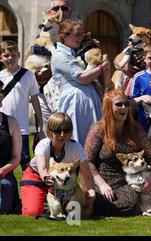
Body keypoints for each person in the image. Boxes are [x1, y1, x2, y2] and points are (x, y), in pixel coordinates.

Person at [84, 89, 151, 216]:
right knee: (98, 199)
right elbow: (87, 161)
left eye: (126, 104)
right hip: (99, 180)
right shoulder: (98, 129)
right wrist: (102, 185)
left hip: (127, 182)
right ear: (108, 107)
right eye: (119, 104)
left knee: (129, 203)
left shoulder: (135, 129)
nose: (124, 107)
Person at [20, 112, 95, 216]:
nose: (62, 135)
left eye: (66, 130)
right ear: (50, 131)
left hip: (63, 181)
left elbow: (87, 175)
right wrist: (47, 178)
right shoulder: (43, 145)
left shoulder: (76, 147)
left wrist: (91, 192)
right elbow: (42, 169)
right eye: (58, 131)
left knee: (72, 212)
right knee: (33, 212)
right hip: (36, 176)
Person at [51, 19, 109, 146]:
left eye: (82, 34)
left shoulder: (77, 52)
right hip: (74, 102)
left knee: (93, 140)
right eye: (77, 34)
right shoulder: (60, 55)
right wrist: (101, 68)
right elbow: (82, 78)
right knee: (77, 138)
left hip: (89, 100)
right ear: (64, 36)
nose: (81, 37)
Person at [0, 40, 43, 170]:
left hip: (22, 128)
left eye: (13, 55)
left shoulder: (28, 75)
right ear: (1, 58)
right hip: (3, 129)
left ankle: (27, 190)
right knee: (4, 164)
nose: (10, 58)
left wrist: (40, 122)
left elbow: (35, 99)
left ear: (19, 55)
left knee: (26, 166)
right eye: (6, 55)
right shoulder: (0, 76)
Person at [0, 80, 21, 214]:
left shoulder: (11, 122)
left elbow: (16, 157)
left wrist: (2, 171)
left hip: (4, 176)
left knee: (2, 209)